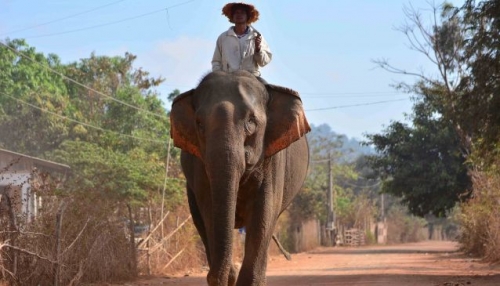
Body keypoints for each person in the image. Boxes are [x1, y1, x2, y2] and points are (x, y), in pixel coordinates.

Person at [212, 3, 272, 81]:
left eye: (242, 13)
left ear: (248, 16)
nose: (239, 15)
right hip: (228, 79)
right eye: (236, 13)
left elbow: (264, 62)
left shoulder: (257, 36)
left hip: (252, 78)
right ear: (232, 17)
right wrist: (220, 78)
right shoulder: (223, 38)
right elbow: (216, 62)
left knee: (267, 91)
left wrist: (258, 49)